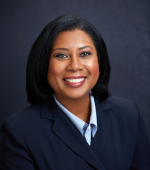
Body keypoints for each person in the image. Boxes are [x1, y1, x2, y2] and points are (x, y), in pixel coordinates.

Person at [0, 15, 150, 170]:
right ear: (43, 64)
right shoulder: (19, 131)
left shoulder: (130, 115)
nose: (75, 66)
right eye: (62, 55)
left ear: (99, 61)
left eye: (85, 54)